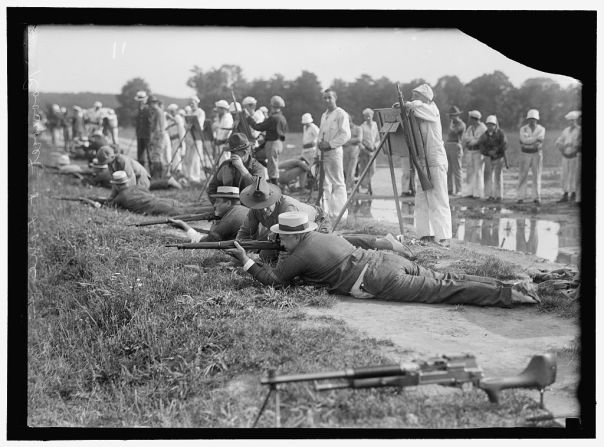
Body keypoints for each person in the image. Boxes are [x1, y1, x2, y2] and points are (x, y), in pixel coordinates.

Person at [224, 211, 540, 307]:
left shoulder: (300, 252)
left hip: (379, 279)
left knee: (445, 290)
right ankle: (509, 285)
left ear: (293, 236)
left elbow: (275, 280)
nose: (279, 239)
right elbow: (356, 239)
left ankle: (509, 294)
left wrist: (246, 261)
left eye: (282, 236)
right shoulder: (323, 236)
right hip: (386, 259)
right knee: (447, 279)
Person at [402, 84, 452, 247]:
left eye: (414, 95)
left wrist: (406, 104)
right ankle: (425, 234)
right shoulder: (418, 111)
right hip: (423, 160)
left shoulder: (431, 109)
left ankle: (443, 237)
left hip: (436, 159)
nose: (412, 98)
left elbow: (415, 106)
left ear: (424, 97)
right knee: (422, 198)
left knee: (439, 198)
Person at [106, 171, 212, 216]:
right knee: (192, 205)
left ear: (116, 185)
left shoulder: (121, 197)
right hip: (162, 201)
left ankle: (216, 210)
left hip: (157, 207)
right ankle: (214, 205)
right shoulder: (136, 187)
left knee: (189, 211)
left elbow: (108, 205)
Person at [168, 186, 249, 242]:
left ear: (228, 203)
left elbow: (204, 242)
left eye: (217, 202)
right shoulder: (244, 210)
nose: (214, 205)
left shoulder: (228, 220)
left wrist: (184, 226)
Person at [317, 89, 351, 220]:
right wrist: (318, 150)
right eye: (324, 98)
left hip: (334, 152)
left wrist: (331, 144)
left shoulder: (341, 114)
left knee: (338, 182)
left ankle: (340, 215)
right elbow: (320, 135)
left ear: (335, 98)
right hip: (323, 153)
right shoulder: (324, 115)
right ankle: (326, 213)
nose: (327, 100)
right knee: (324, 183)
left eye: (329, 98)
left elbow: (346, 134)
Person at [206, 133, 265, 204]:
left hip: (249, 209)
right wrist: (218, 205)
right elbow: (211, 189)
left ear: (245, 152)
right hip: (227, 208)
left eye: (234, 152)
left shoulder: (258, 168)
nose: (231, 155)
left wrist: (242, 169)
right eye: (231, 152)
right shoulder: (226, 165)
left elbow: (257, 189)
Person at [246, 95, 288, 186]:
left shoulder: (274, 118)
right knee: (257, 155)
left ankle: (276, 188)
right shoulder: (282, 118)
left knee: (272, 166)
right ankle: (274, 180)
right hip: (278, 143)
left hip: (272, 143)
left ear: (272, 106)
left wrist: (249, 118)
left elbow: (258, 127)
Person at [517, 109, 546, 205]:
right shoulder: (523, 129)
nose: (532, 121)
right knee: (522, 175)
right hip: (525, 154)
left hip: (536, 154)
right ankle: (520, 197)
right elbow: (522, 140)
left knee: (536, 175)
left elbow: (539, 141)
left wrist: (527, 142)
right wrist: (533, 140)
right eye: (530, 119)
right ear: (527, 119)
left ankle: (536, 197)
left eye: (533, 119)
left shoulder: (541, 129)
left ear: (537, 119)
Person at [479, 115, 507, 202]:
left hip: (498, 157)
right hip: (488, 158)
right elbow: (481, 146)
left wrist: (496, 151)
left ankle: (499, 195)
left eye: (492, 125)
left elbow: (504, 144)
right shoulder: (484, 135)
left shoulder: (501, 133)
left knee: (498, 177)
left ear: (495, 125)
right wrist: (487, 152)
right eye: (488, 125)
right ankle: (489, 195)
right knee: (487, 177)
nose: (490, 126)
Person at [555, 111, 581, 203]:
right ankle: (565, 194)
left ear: (576, 120)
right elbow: (558, 141)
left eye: (573, 120)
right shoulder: (566, 130)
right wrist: (562, 149)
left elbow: (579, 143)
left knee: (573, 175)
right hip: (565, 156)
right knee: (564, 175)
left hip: (575, 156)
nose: (571, 122)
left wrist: (574, 147)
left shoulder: (579, 130)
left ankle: (573, 194)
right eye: (570, 121)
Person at [461, 110, 487, 199]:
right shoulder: (470, 128)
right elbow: (465, 137)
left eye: (470, 118)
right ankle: (469, 192)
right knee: (469, 172)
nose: (469, 120)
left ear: (474, 119)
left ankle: (478, 193)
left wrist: (472, 140)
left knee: (478, 172)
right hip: (470, 152)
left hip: (478, 153)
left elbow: (480, 140)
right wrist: (472, 140)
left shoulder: (483, 128)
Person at [445, 106, 466, 196]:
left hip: (456, 145)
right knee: (448, 170)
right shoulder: (452, 123)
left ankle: (459, 190)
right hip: (448, 145)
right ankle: (449, 189)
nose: (451, 117)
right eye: (450, 115)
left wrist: (451, 124)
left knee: (457, 169)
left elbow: (454, 131)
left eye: (453, 115)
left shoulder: (461, 124)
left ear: (457, 115)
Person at [359, 108, 380, 194]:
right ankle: (365, 188)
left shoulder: (375, 125)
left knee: (372, 170)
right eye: (366, 116)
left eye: (369, 116)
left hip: (373, 151)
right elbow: (359, 141)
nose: (368, 118)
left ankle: (370, 187)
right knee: (364, 170)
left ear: (372, 116)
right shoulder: (362, 127)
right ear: (364, 117)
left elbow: (378, 139)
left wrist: (375, 146)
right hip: (364, 151)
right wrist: (365, 149)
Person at [147, 96, 169, 179]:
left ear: (153, 103)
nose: (149, 106)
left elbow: (158, 127)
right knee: (158, 156)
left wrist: (153, 139)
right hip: (159, 136)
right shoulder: (158, 112)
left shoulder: (158, 112)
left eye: (150, 104)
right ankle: (159, 175)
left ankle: (157, 176)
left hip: (158, 137)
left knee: (157, 156)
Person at [342, 114, 364, 193]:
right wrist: (350, 141)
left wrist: (347, 141)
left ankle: (349, 188)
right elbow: (341, 140)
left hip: (354, 152)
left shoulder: (358, 128)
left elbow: (359, 139)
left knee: (351, 171)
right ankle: (352, 188)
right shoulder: (343, 130)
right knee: (346, 171)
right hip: (344, 152)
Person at [165, 104, 186, 175]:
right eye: (171, 111)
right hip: (171, 139)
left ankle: (178, 169)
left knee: (177, 155)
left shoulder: (178, 117)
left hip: (177, 139)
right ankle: (174, 169)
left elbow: (181, 129)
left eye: (173, 111)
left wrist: (181, 141)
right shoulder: (170, 120)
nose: (172, 113)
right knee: (172, 154)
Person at [134, 91, 152, 168]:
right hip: (139, 134)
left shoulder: (148, 109)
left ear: (145, 100)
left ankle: (152, 170)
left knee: (149, 153)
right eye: (139, 100)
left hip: (147, 134)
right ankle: (141, 168)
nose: (140, 102)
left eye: (142, 100)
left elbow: (151, 122)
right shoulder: (138, 109)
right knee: (140, 153)